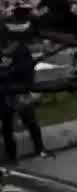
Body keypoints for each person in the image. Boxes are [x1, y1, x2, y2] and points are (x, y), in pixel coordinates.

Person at [0, 13, 51, 162]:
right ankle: (12, 155)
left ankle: (39, 148)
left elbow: (28, 69)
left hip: (18, 88)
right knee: (7, 125)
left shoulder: (21, 49)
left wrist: (25, 84)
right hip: (5, 91)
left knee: (29, 120)